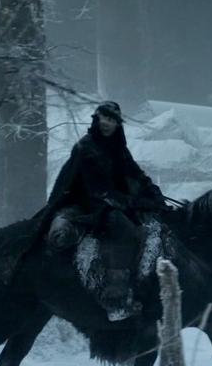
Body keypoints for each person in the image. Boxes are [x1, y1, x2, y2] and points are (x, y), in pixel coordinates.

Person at [42, 101, 166, 320]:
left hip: (109, 202)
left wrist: (152, 191)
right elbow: (97, 189)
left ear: (118, 124)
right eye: (103, 118)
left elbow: (134, 173)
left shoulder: (118, 147)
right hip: (84, 205)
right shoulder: (86, 147)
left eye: (112, 120)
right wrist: (131, 202)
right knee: (124, 230)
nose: (107, 123)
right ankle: (114, 299)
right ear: (96, 119)